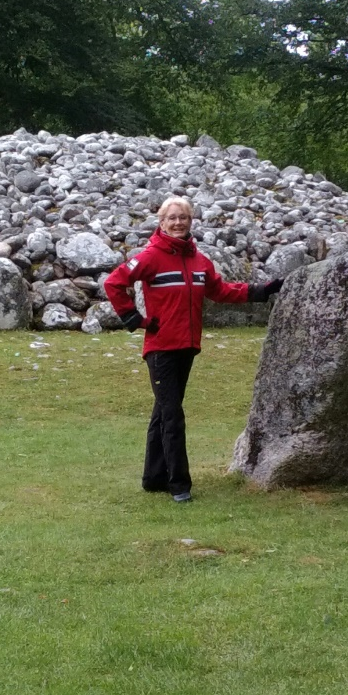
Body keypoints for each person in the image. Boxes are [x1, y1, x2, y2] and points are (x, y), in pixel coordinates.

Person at [104, 196, 283, 503]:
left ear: (190, 222)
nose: (178, 222)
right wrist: (135, 318)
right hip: (160, 348)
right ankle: (179, 485)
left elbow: (222, 290)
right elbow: (114, 283)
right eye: (172, 218)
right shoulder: (150, 256)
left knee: (162, 414)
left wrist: (262, 290)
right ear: (162, 222)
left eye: (183, 218)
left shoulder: (199, 260)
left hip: (187, 347)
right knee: (173, 415)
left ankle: (153, 478)